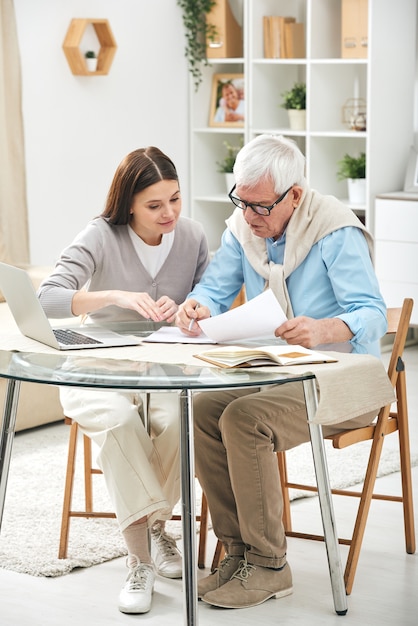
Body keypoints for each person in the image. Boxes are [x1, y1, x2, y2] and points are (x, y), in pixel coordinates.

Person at [175, 134, 387, 610]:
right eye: (242, 203)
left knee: (244, 419)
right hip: (275, 373)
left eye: (262, 207)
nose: (250, 217)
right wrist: (198, 305)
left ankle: (270, 566)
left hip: (342, 380)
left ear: (295, 194)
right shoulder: (245, 227)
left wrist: (327, 328)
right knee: (206, 406)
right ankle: (238, 554)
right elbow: (216, 285)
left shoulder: (335, 230)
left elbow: (372, 312)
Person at [38, 146, 210, 614]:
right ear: (128, 203)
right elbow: (47, 297)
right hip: (98, 367)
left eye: (175, 199)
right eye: (155, 205)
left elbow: (209, 299)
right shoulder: (100, 235)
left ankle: (155, 529)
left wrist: (192, 311)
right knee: (118, 421)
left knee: (179, 418)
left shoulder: (193, 237)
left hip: (166, 366)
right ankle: (140, 558)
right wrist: (112, 295)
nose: (169, 213)